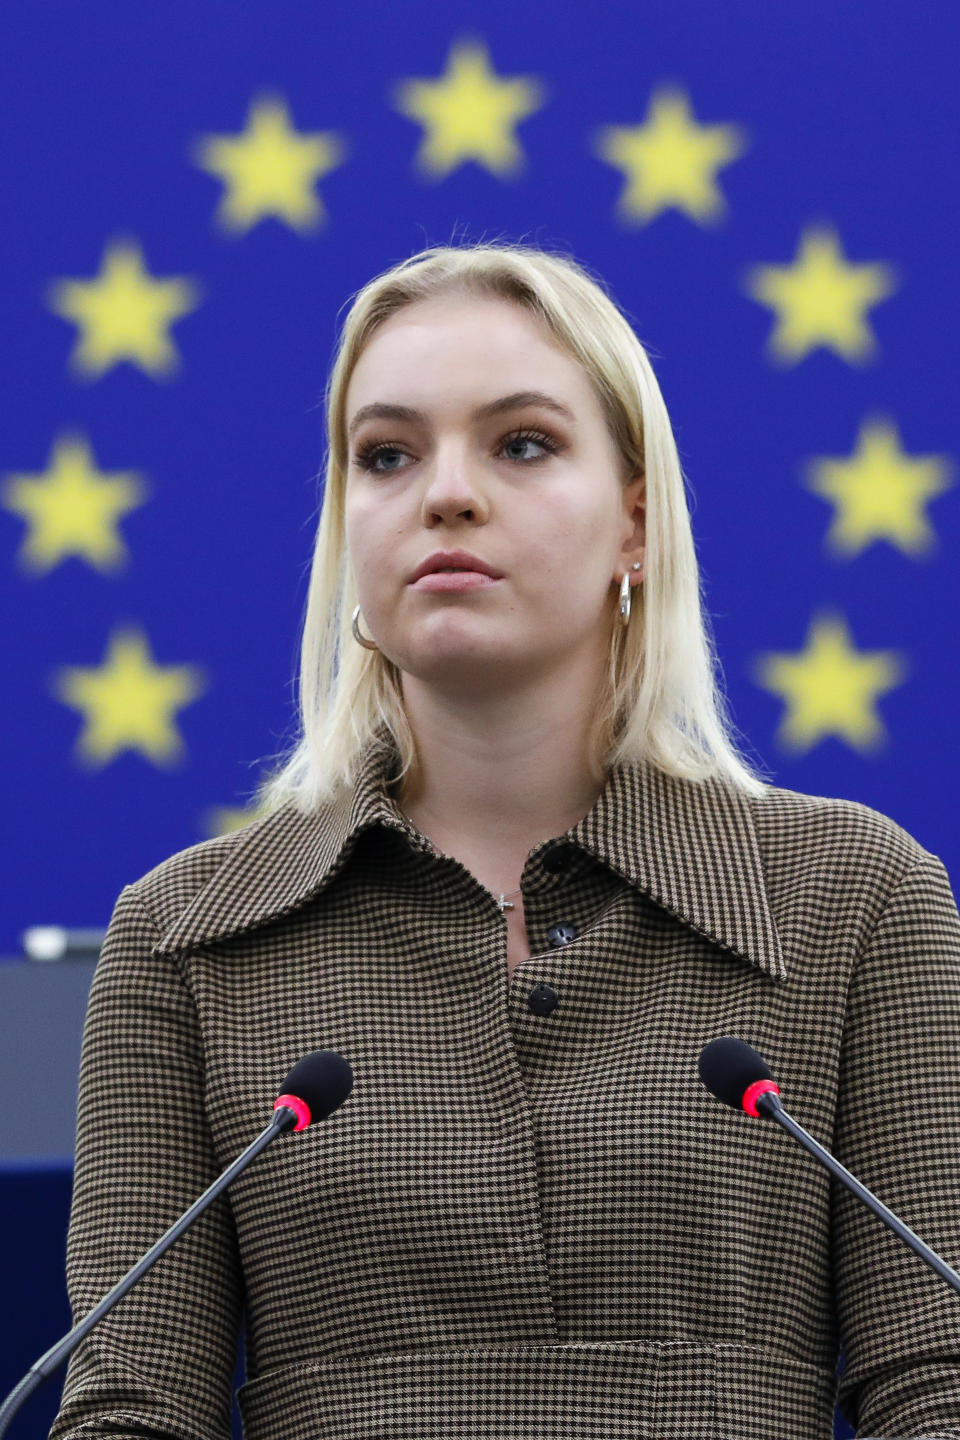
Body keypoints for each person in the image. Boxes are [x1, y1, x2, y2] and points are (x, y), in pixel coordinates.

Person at [50, 240, 960, 1440]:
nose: (447, 494)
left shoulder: (858, 898)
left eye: (521, 443)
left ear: (637, 523)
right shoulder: (185, 936)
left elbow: (936, 1386)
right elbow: (131, 1412)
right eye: (387, 456)